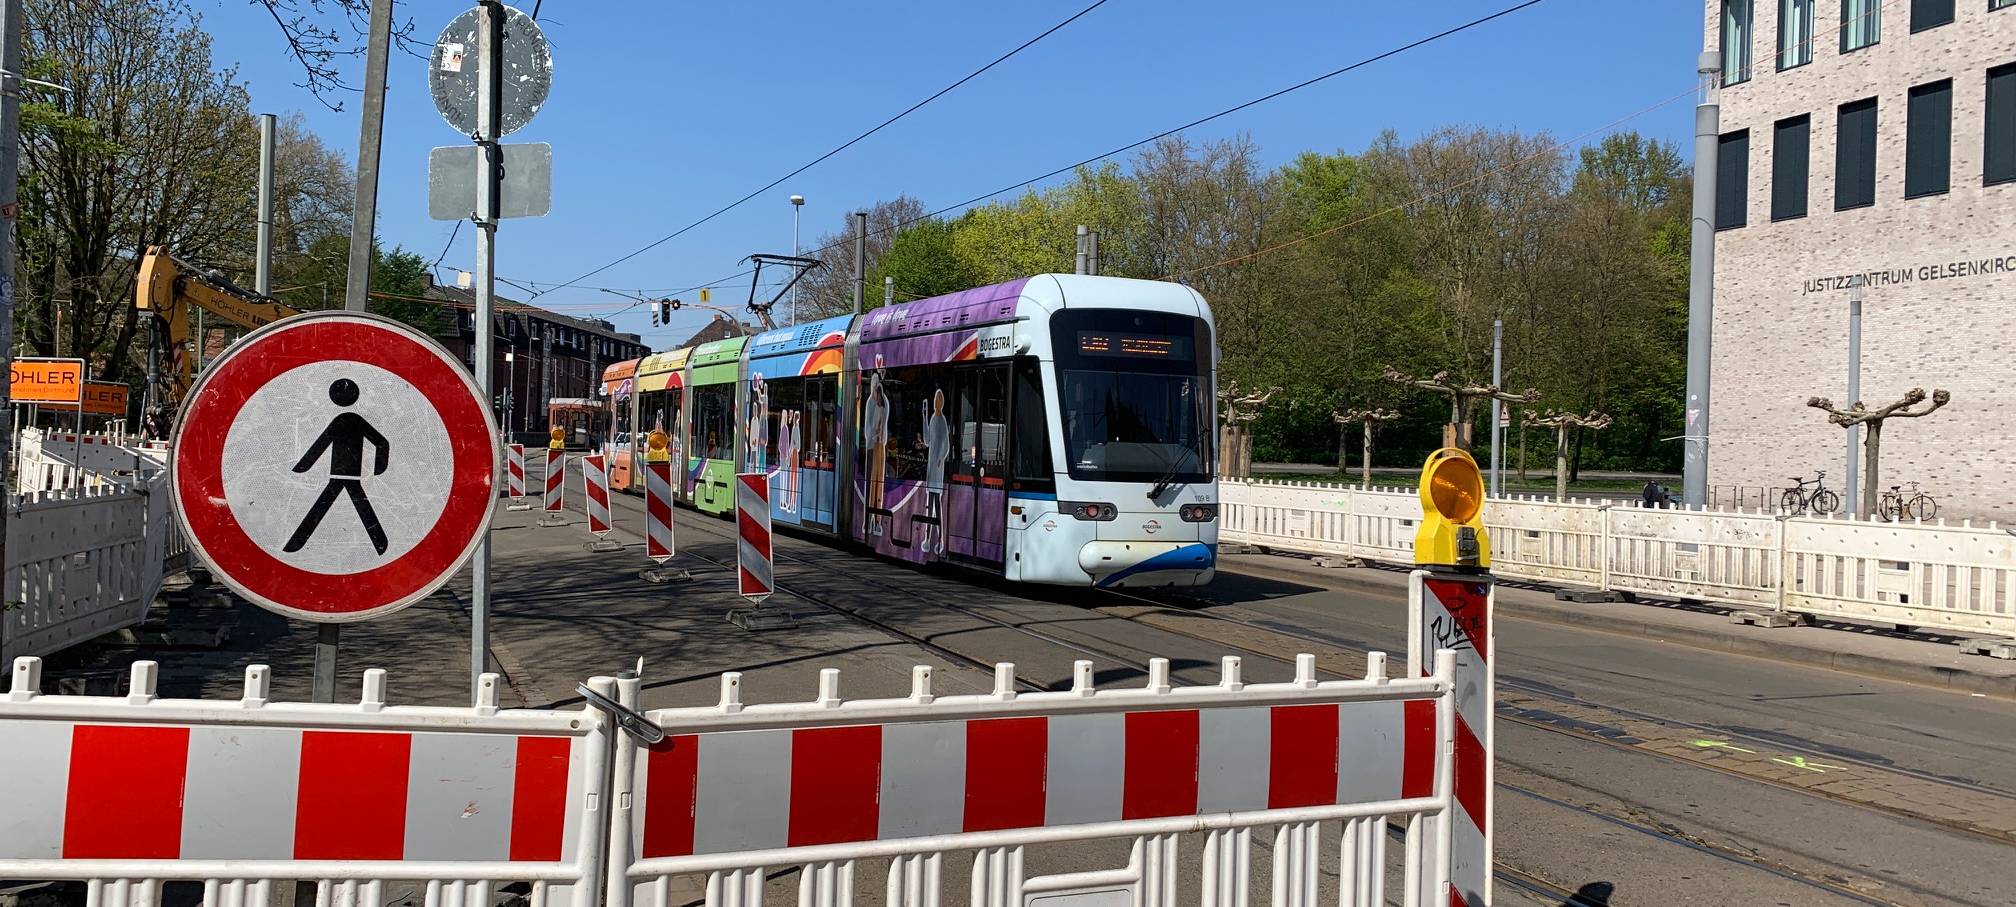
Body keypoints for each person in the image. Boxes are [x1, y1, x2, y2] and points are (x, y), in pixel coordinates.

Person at [923, 389, 951, 554]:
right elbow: (927, 441)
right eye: (935, 399)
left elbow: (945, 444)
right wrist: (924, 417)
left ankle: (939, 539)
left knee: (936, 504)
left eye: (938, 400)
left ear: (941, 402)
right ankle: (927, 539)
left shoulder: (942, 420)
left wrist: (941, 459)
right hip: (931, 466)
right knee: (930, 504)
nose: (936, 402)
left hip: (937, 468)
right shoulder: (933, 418)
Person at [864, 363, 890, 536]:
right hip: (872, 446)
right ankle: (869, 520)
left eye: (877, 390)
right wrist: (874, 435)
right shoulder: (869, 404)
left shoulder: (883, 405)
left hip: (880, 446)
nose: (875, 392)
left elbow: (885, 424)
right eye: (874, 388)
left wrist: (881, 434)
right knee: (872, 483)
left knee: (878, 483)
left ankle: (877, 520)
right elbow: (867, 427)